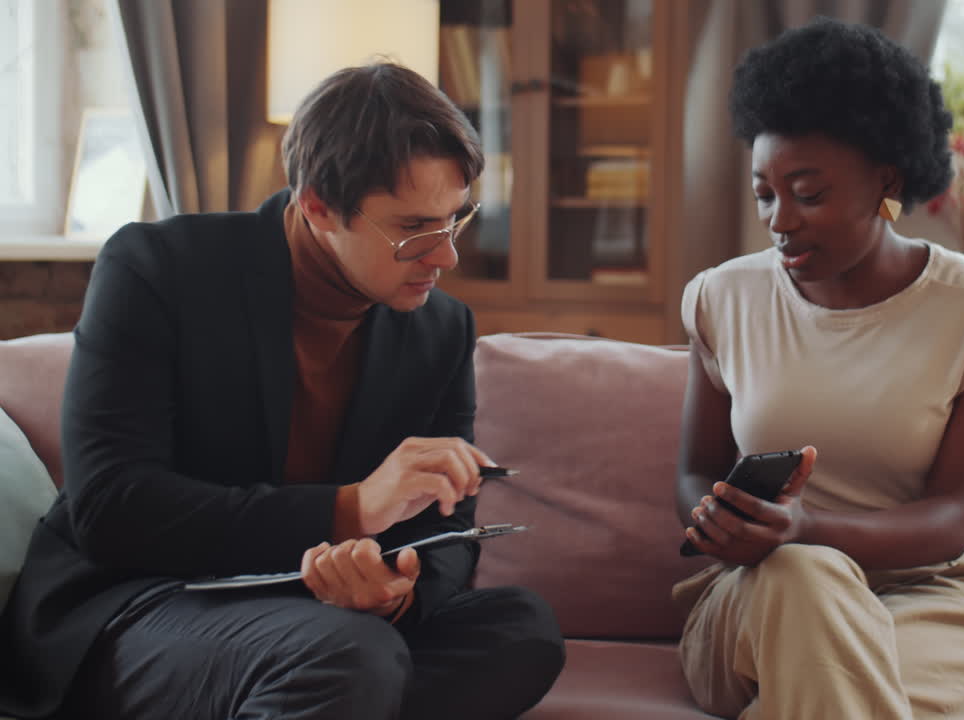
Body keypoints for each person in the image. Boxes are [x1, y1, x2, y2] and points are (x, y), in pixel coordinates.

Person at [0, 62, 565, 720]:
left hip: (311, 618)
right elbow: (112, 509)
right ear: (318, 205)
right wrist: (350, 511)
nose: (446, 257)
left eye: (454, 220)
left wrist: (395, 591)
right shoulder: (158, 269)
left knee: (522, 629)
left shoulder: (441, 328)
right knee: (347, 655)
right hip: (141, 601)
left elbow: (448, 521)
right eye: (414, 228)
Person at [672, 19, 964, 720]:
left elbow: (953, 518)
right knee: (803, 578)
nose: (779, 220)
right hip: (757, 597)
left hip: (934, 599)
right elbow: (695, 473)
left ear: (887, 180)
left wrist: (808, 527)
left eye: (807, 195)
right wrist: (728, 521)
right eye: (764, 193)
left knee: (824, 685)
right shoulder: (722, 299)